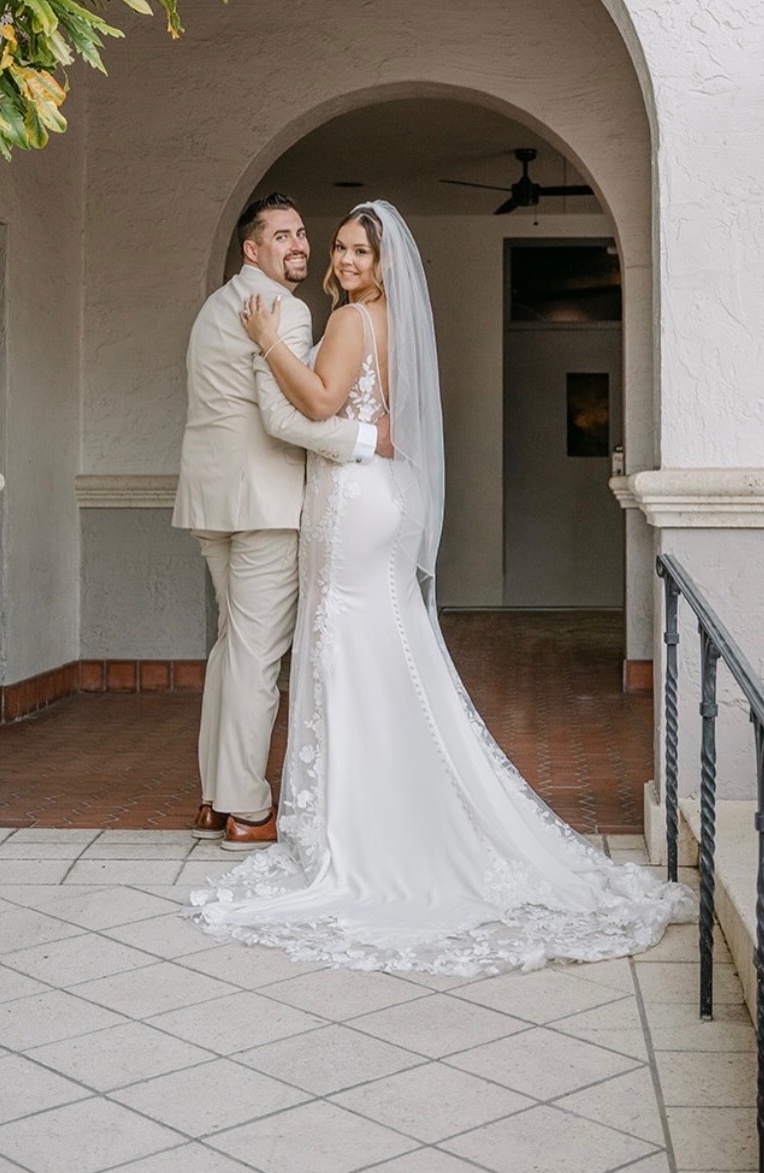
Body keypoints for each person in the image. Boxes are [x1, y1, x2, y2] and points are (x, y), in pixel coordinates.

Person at [188, 200, 693, 974]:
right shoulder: (380, 318)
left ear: (385, 264)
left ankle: (357, 827)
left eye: (361, 251)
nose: (346, 260)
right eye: (340, 247)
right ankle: (385, 807)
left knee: (345, 652)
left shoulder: (353, 320)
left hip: (353, 495)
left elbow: (319, 403)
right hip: (379, 491)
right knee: (382, 648)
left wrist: (267, 341)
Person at [172, 194, 392, 851]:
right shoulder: (284, 311)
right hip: (263, 504)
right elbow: (286, 417)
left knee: (229, 645)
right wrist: (366, 439)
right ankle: (246, 805)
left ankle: (214, 797)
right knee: (256, 656)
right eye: (283, 236)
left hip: (211, 499)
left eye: (303, 233)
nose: (300, 245)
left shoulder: (216, 306)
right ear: (253, 248)